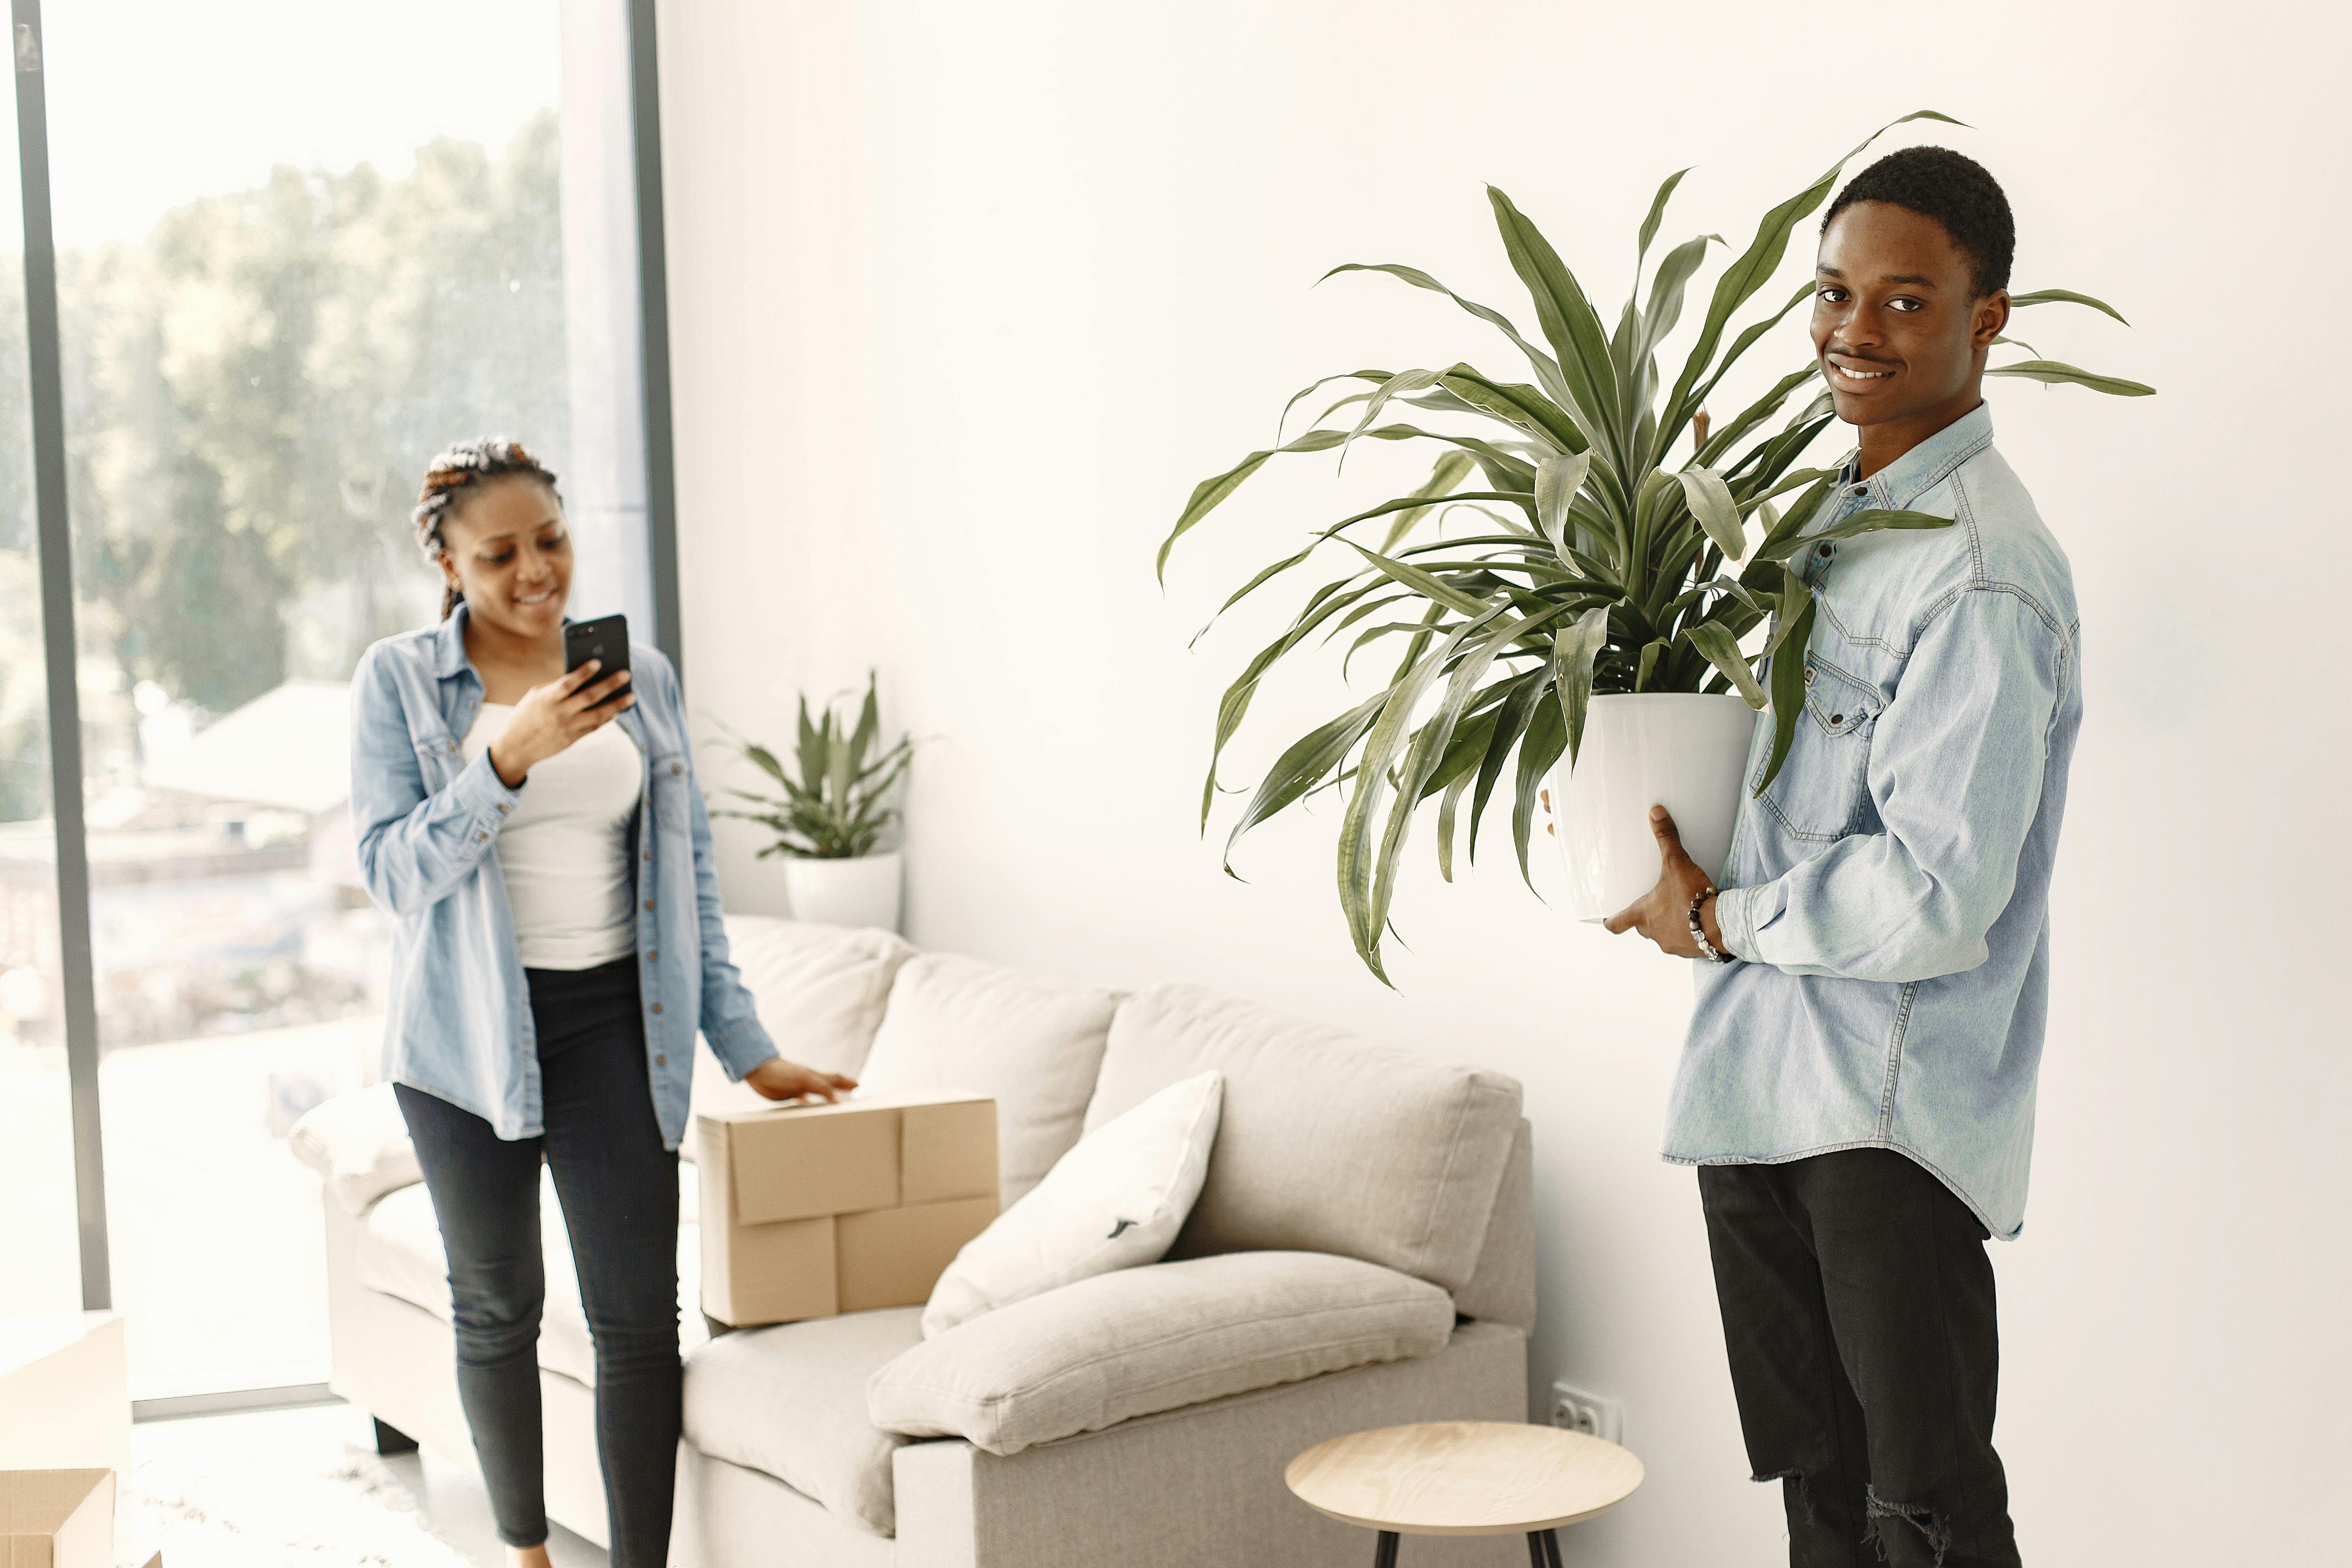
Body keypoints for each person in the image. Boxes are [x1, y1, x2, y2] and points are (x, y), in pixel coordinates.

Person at [1606, 148, 2071, 1567]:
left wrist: (1729, 918)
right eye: (1833, 294)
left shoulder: (1982, 574)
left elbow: (1939, 892)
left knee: (1923, 1507)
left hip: (1883, 1116)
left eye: (1905, 300)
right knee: (1822, 1497)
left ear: (1988, 317)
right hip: (1756, 1085)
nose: (1853, 332)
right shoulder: (1826, 525)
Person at [349, 438, 855, 1568]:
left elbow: (692, 886)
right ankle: (525, 1556)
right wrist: (506, 761)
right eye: (501, 553)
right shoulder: (398, 683)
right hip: (464, 1041)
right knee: (498, 1311)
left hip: (616, 1028)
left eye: (552, 540)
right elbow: (393, 874)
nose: (536, 572)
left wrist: (749, 1048)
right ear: (445, 560)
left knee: (637, 1325)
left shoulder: (644, 679)